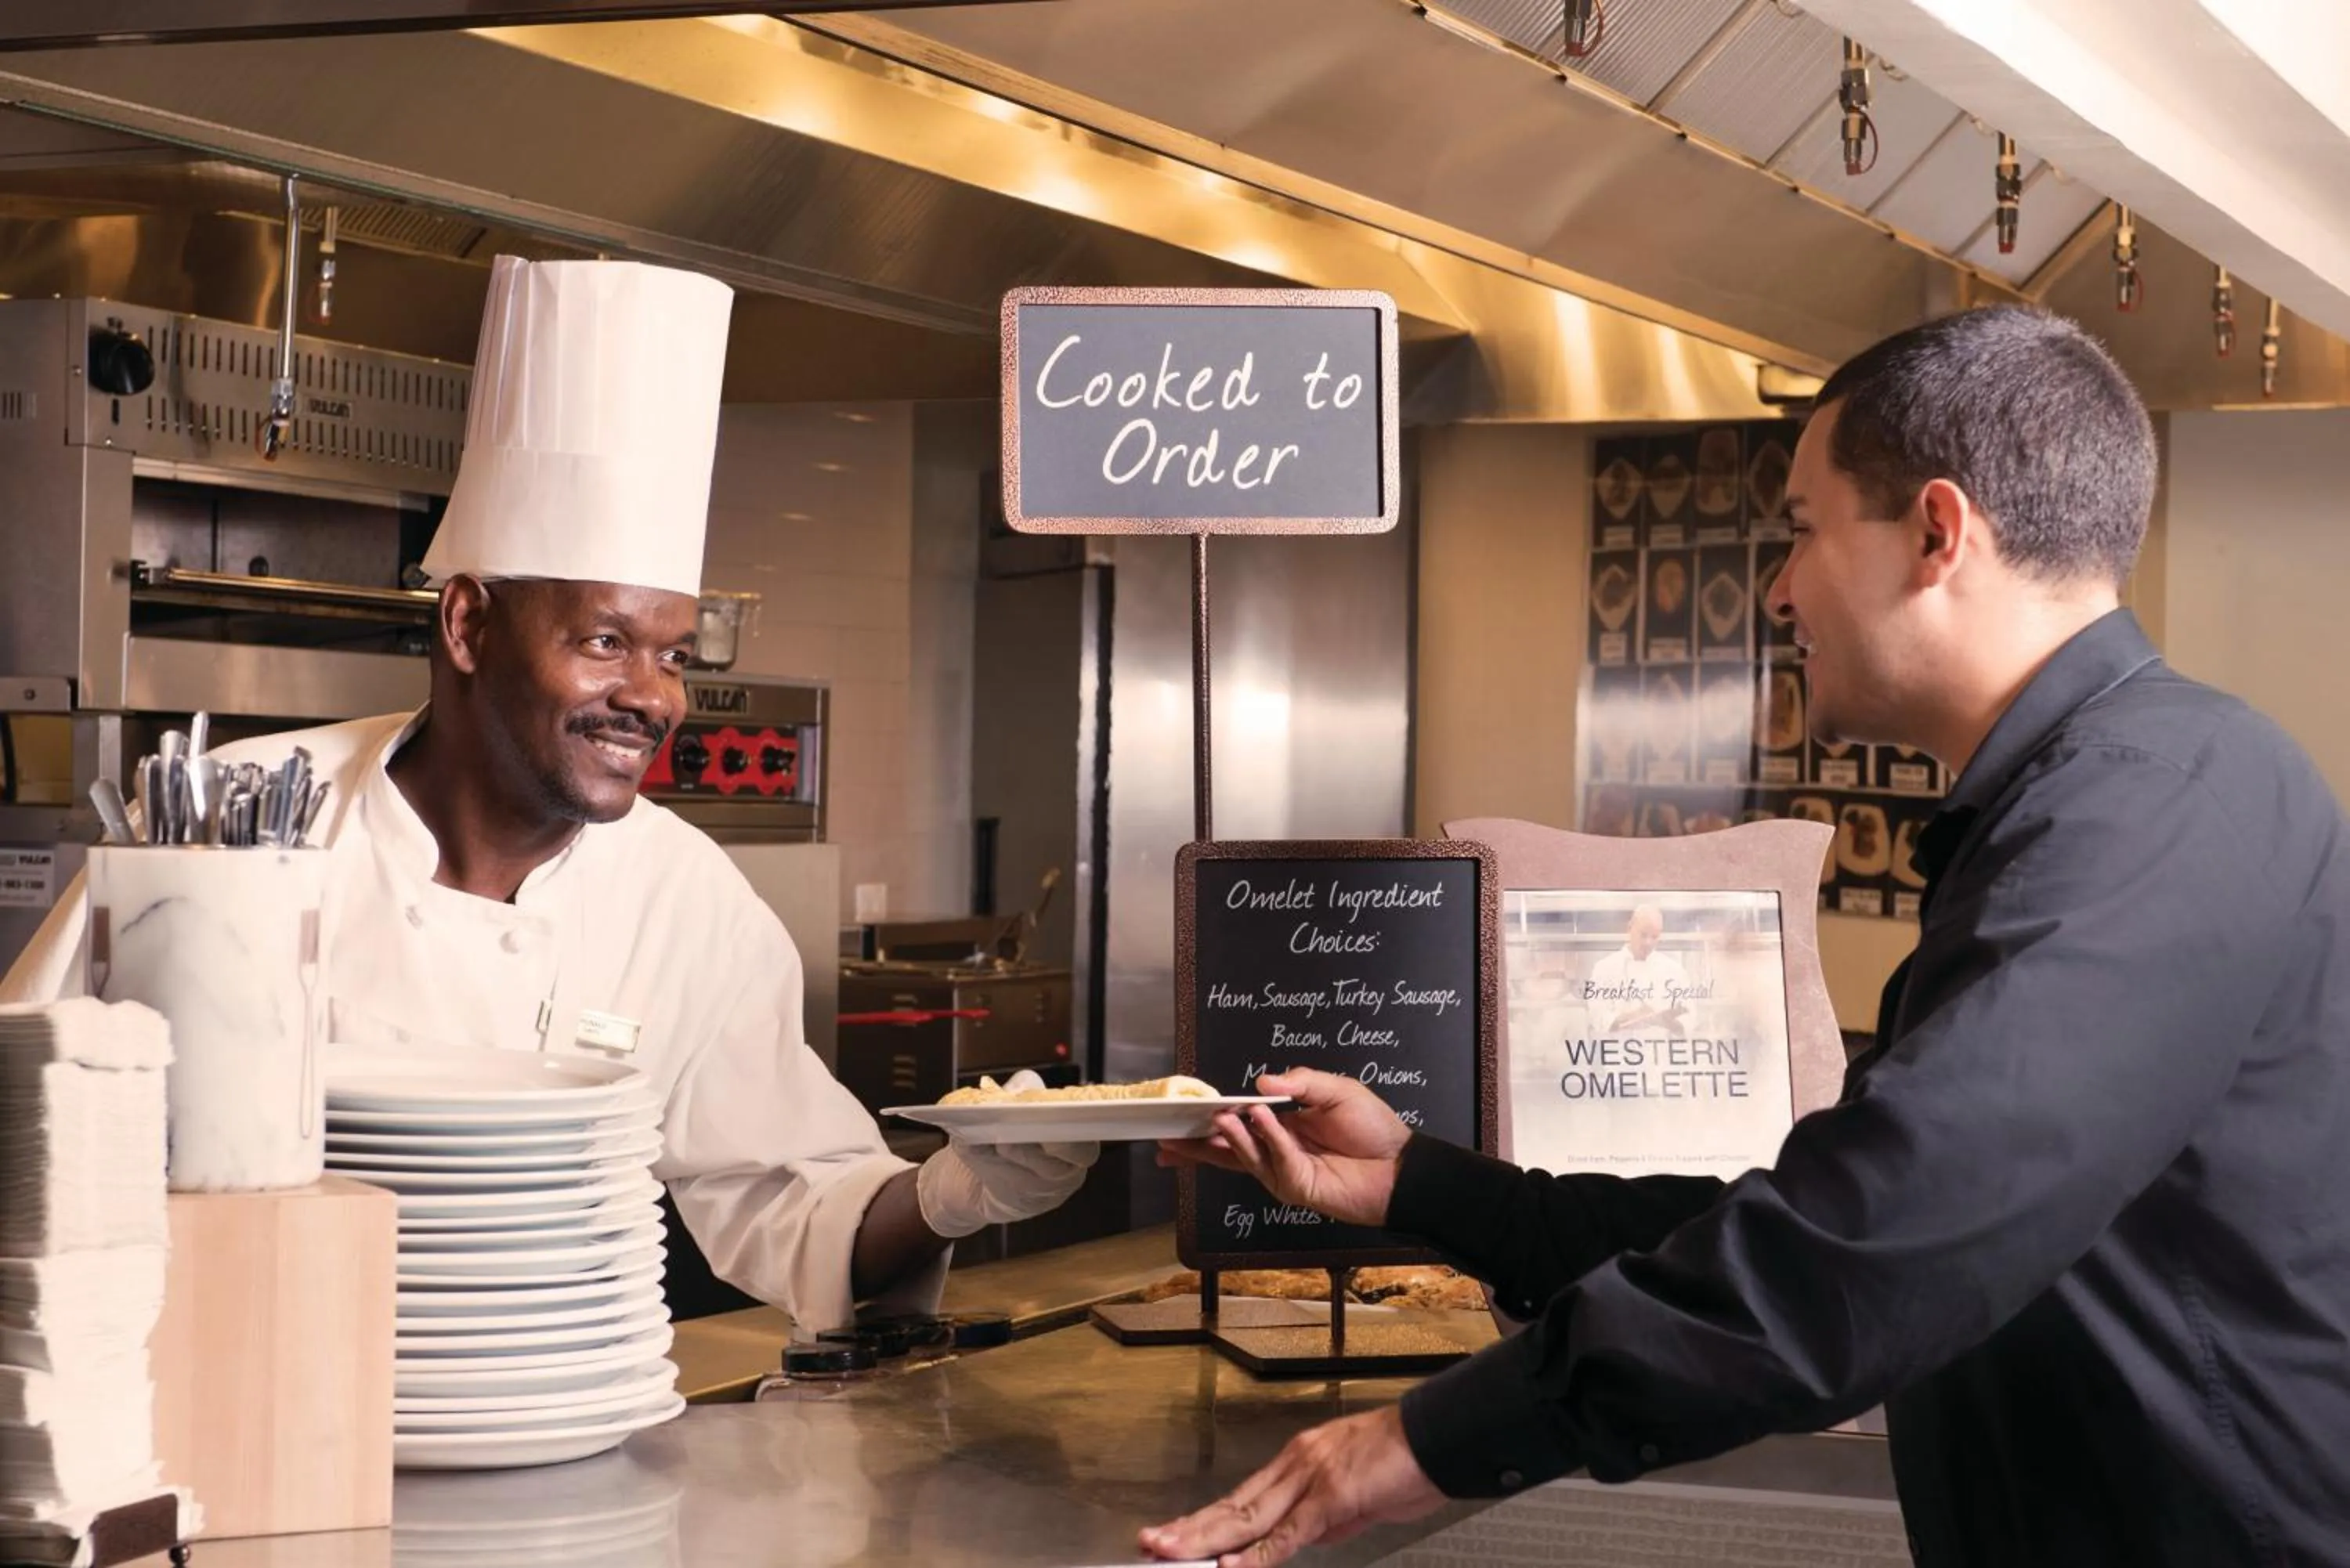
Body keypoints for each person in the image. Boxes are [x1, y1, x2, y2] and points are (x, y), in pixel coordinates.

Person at [1145, 306, 2350, 1566]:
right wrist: (1417, 1182)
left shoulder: (2156, 804)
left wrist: (1424, 1439)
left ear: (1937, 534)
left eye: (1801, 531)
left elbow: (1880, 1232)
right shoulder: (2110, 794)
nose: (1778, 590)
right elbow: (1837, 1204)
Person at [0, 256, 1096, 1331]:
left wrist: (961, 1192)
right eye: (608, 640)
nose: (654, 697)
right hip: (251, 1410)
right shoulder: (234, 826)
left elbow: (795, 1203)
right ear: (468, 623)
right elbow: (27, 1125)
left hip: (561, 1436)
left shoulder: (681, 894)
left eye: (676, 656)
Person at [1581, 904, 1689, 1039]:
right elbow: (1596, 1015)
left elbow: (1689, 1017)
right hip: (1618, 1054)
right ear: (1630, 928)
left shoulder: (1674, 970)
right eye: (1643, 935)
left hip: (1659, 1054)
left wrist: (1670, 1022)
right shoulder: (1604, 968)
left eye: (1654, 937)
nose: (1648, 942)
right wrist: (1633, 1017)